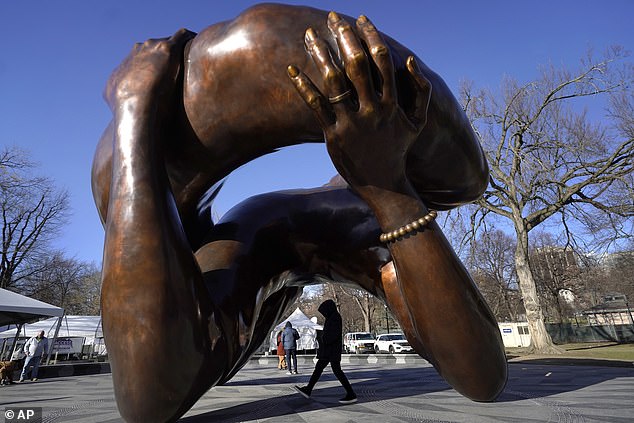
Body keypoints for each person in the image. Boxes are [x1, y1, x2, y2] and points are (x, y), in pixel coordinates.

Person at [92, 4, 507, 422]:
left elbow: (484, 378)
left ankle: (224, 315)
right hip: (259, 239)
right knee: (205, 352)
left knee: (209, 341)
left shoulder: (372, 243)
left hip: (277, 234)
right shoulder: (257, 242)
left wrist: (390, 189)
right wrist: (136, 111)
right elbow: (146, 399)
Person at [294, 300, 356, 404]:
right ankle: (308, 389)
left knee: (336, 371)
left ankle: (351, 394)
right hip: (329, 351)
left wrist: (323, 337)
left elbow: (332, 335)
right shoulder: (332, 317)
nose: (323, 314)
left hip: (330, 351)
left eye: (324, 311)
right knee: (320, 370)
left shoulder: (334, 318)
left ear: (328, 309)